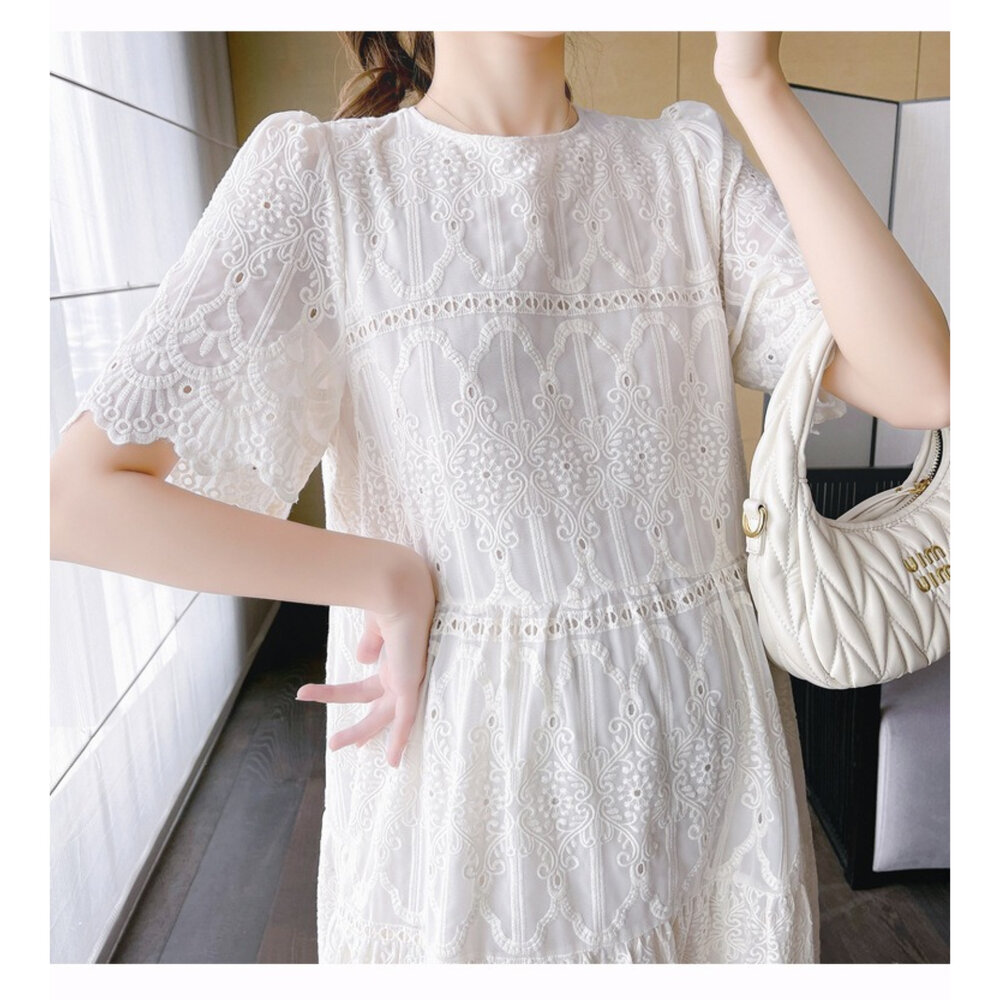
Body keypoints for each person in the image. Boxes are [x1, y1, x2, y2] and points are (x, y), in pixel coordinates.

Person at [49, 31, 950, 963]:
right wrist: (382, 575)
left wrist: (754, 79)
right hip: (482, 822)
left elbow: (924, 382)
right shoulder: (327, 185)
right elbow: (79, 498)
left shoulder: (688, 168)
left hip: (708, 787)